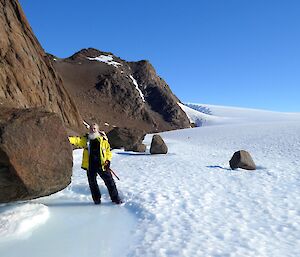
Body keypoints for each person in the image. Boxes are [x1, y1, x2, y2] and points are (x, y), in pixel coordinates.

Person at [68, 123, 122, 205]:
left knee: (110, 182)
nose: (92, 130)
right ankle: (97, 200)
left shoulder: (103, 140)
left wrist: (108, 161)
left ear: (97, 130)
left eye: (94, 129)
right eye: (91, 129)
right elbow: (77, 140)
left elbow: (108, 151)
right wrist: (66, 139)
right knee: (92, 183)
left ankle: (116, 199)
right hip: (90, 165)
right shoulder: (86, 140)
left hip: (102, 165)